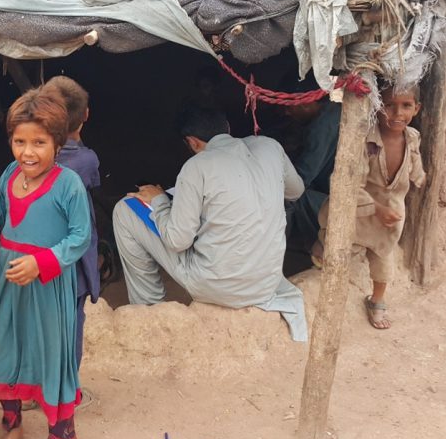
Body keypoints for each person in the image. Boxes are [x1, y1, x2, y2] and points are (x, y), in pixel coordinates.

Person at [112, 107, 308, 341]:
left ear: (193, 142)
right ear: (227, 128)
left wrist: (159, 200)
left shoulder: (198, 166)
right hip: (266, 283)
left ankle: (150, 310)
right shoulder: (270, 147)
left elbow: (177, 240)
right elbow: (296, 190)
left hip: (216, 286)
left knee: (125, 210)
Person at [0, 88, 91, 439]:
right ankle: (12, 421)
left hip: (47, 285)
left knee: (50, 350)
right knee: (7, 343)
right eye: (19, 141)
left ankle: (61, 431)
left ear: (57, 143)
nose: (27, 152)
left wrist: (42, 263)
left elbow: (80, 236)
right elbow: (4, 222)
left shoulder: (68, 184)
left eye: (39, 142)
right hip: (11, 280)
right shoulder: (10, 174)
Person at [314, 85, 425, 329]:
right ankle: (322, 241)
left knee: (383, 259)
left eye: (406, 106)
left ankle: (376, 300)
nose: (397, 113)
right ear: (377, 106)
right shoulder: (367, 140)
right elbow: (349, 183)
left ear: (416, 109)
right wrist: (376, 208)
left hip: (391, 214)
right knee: (338, 245)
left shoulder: (413, 137)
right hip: (360, 208)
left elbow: (414, 164)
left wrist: (419, 176)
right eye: (389, 105)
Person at [41, 76, 100, 368]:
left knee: (38, 325)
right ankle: (65, 388)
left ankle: (32, 388)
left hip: (37, 259)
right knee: (71, 323)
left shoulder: (28, 163)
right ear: (86, 114)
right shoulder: (86, 161)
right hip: (71, 265)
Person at [284, 96, 341, 274]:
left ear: (307, 101)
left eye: (290, 106)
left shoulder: (321, 128)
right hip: (337, 195)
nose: (287, 112)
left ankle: (278, 255)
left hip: (343, 209)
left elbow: (302, 178)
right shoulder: (336, 110)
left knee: (293, 196)